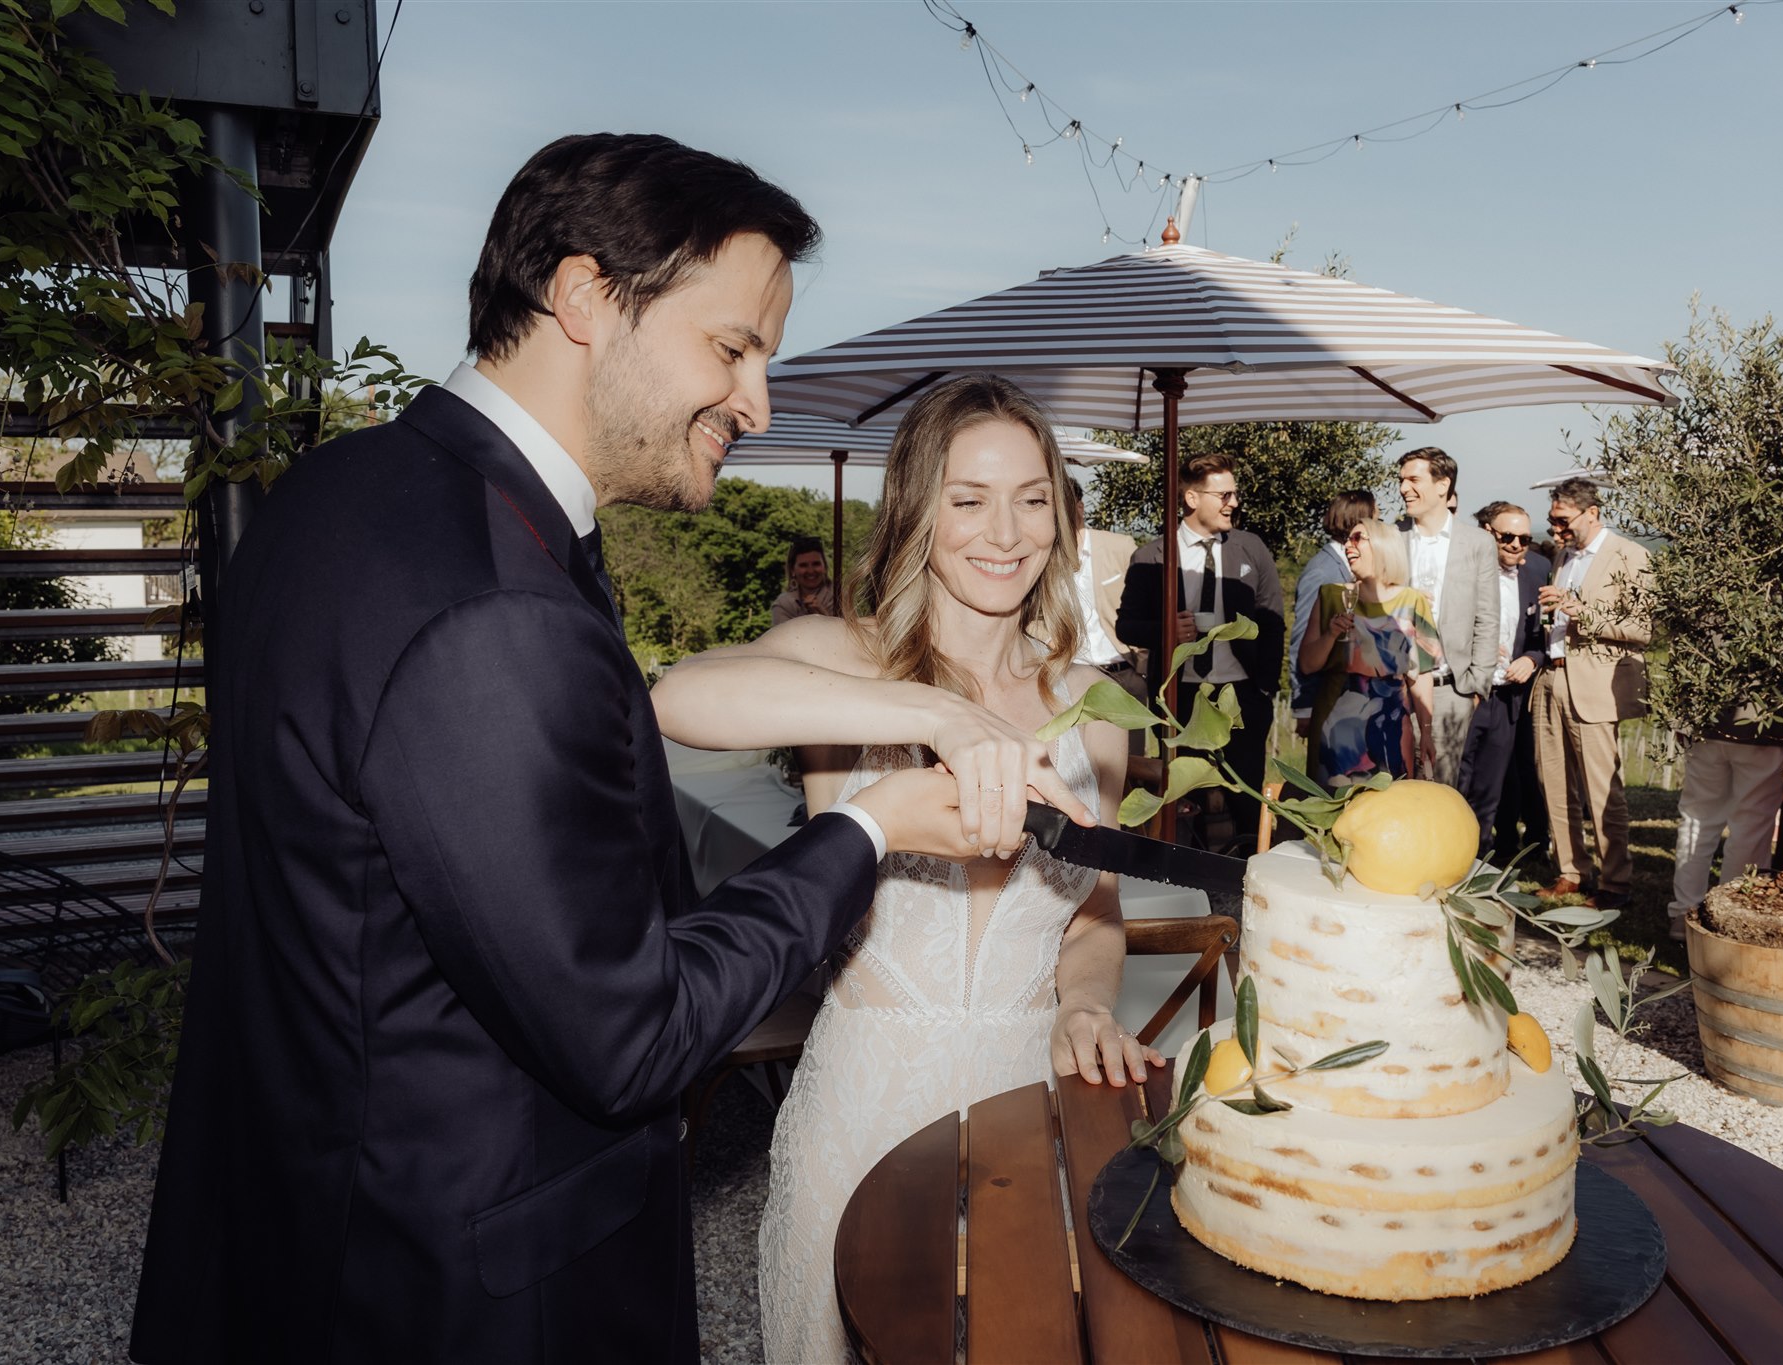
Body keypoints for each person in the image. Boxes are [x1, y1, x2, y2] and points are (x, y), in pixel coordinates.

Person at [129, 134, 1093, 1365]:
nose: (755, 400)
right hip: (461, 1287)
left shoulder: (337, 499)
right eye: (731, 348)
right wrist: (869, 828)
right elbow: (630, 1033)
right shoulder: (492, 603)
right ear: (586, 297)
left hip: (305, 1224)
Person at [664, 375, 1157, 1363]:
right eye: (967, 499)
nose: (1004, 532)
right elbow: (675, 698)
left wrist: (1082, 1007)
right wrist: (934, 713)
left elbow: (1092, 914)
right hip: (861, 1114)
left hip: (1030, 1115)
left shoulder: (1094, 708)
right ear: (915, 509)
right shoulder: (839, 661)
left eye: (1031, 498)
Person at [1116, 451, 1286, 799]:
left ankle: (1244, 855)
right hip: (1181, 698)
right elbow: (1126, 627)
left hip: (1242, 697)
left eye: (1234, 494)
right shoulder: (1151, 557)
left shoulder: (1252, 549)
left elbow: (1273, 621)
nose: (1233, 503)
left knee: (1245, 801)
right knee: (1182, 805)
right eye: (1224, 495)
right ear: (1192, 498)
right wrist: (1166, 631)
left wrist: (1265, 689)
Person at [1532, 478, 1653, 909]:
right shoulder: (1563, 555)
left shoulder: (1631, 555)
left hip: (1596, 684)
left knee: (1602, 790)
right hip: (1552, 678)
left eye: (1562, 521)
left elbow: (1642, 628)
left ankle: (1615, 884)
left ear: (1592, 513)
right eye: (1551, 521)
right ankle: (1570, 871)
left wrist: (1580, 611)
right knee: (1554, 782)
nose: (1555, 530)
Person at [1299, 518, 1443, 782]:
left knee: (1392, 809)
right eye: (1346, 540)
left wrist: (1426, 733)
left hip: (1391, 723)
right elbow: (1307, 664)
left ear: (1382, 546)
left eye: (1357, 539)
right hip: (1336, 723)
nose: (1347, 546)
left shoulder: (1413, 602)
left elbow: (1420, 676)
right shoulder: (1331, 596)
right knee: (1337, 812)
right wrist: (1331, 633)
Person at [1395, 448, 1499, 788]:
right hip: (1392, 686)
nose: (1403, 488)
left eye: (1413, 479)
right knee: (1390, 788)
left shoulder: (1478, 543)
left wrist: (1475, 685)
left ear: (1443, 485)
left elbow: (1487, 617)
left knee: (1438, 792)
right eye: (1401, 480)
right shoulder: (1389, 537)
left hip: (1449, 689)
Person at [1457, 502, 1551, 858]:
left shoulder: (1539, 570)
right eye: (1508, 536)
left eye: (1525, 538)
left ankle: (1478, 864)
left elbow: (1542, 637)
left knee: (1491, 789)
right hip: (1466, 693)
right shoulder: (1460, 569)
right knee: (1457, 784)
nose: (1516, 545)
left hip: (1510, 698)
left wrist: (1531, 658)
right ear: (1486, 532)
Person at [1669, 727, 1783, 941]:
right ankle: (1731, 910)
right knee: (1750, 825)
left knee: (1698, 819)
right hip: (1764, 729)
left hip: (1706, 725)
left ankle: (1684, 911)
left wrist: (1681, 721)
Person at [1290, 490, 1376, 765]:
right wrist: (1303, 706)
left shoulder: (1348, 568)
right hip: (1326, 700)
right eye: (1375, 517)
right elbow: (1301, 638)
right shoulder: (1322, 571)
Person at [1065, 475, 1145, 701]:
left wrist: (1143, 664)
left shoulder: (1120, 547)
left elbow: (1146, 604)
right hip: (1070, 676)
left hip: (1123, 672)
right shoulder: (1044, 556)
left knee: (1133, 739)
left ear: (1079, 507)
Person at [771, 534, 838, 623]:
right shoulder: (783, 604)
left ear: (824, 566)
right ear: (792, 570)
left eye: (816, 564)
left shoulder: (840, 596)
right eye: (803, 565)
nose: (810, 571)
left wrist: (822, 613)